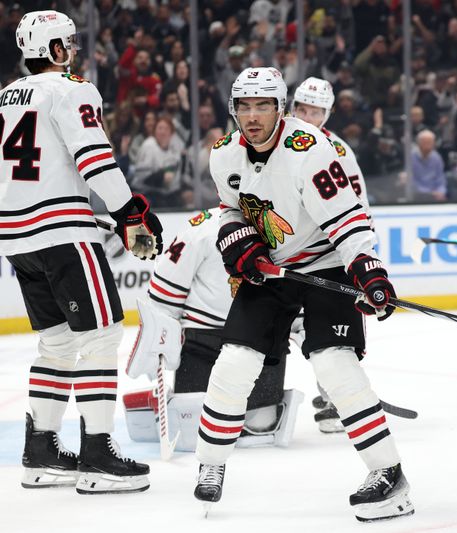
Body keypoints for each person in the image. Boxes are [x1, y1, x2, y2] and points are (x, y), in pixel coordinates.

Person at [194, 67, 413, 522]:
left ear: (281, 108)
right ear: (234, 109)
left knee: (335, 364)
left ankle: (389, 475)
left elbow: (348, 218)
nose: (252, 116)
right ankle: (210, 463)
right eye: (244, 106)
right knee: (234, 361)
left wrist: (368, 269)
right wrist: (237, 239)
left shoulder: (311, 150)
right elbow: (229, 210)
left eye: (263, 105)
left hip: (325, 259)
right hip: (272, 270)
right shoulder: (223, 153)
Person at [1, 10, 163, 494]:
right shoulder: (72, 89)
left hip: (16, 235)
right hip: (61, 232)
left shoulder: (4, 97)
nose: (72, 51)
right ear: (54, 50)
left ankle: (42, 450)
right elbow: (94, 158)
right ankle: (97, 454)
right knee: (100, 334)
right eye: (67, 44)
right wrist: (129, 211)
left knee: (56, 342)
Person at [122, 208, 303, 452]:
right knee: (196, 428)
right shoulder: (203, 229)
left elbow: (295, 288)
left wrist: (306, 328)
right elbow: (163, 295)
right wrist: (160, 340)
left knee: (261, 427)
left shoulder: (282, 228)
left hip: (262, 341)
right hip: (204, 341)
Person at [290, 76, 373, 434]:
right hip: (285, 255)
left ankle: (336, 394)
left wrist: (359, 258)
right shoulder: (275, 143)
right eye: (302, 109)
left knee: (333, 329)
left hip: (329, 255)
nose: (308, 117)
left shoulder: (337, 152)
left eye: (316, 111)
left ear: (328, 113)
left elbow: (358, 208)